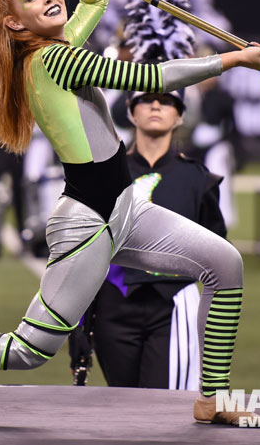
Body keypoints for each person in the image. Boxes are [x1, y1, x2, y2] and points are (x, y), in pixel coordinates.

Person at [0, 0, 260, 425]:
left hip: (126, 207)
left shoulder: (60, 45)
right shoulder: (52, 60)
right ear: (14, 23)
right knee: (31, 349)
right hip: (88, 223)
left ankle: (212, 398)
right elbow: (148, 76)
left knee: (224, 263)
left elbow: (94, 5)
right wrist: (231, 60)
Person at [87, 88, 228, 391]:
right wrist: (80, 323)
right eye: (145, 100)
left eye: (166, 101)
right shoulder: (105, 174)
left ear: (179, 115)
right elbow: (84, 250)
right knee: (123, 406)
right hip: (113, 309)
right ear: (129, 111)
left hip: (174, 307)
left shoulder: (200, 180)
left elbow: (220, 262)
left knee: (163, 408)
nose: (155, 105)